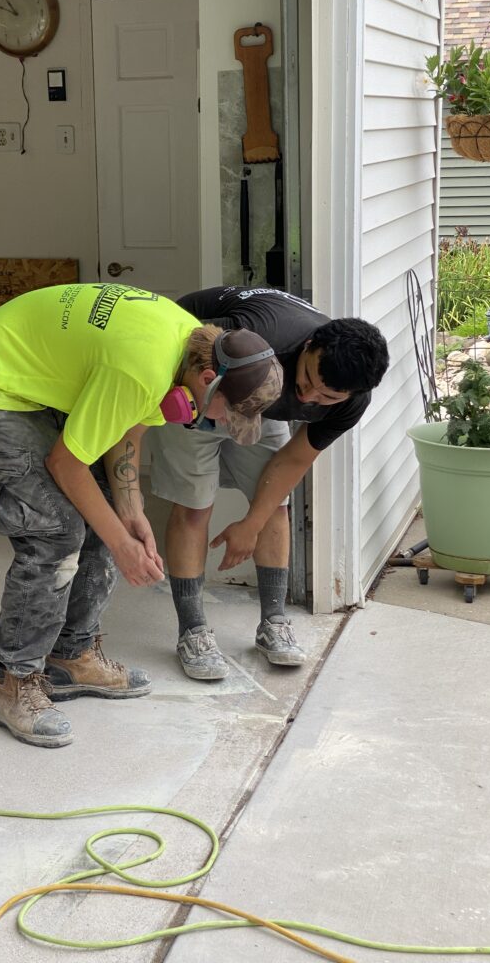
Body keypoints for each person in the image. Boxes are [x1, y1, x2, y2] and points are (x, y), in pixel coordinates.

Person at [0, 282, 283, 748]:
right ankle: (12, 684)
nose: (219, 422)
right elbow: (66, 464)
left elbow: (127, 431)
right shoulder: (141, 369)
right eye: (224, 412)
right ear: (207, 379)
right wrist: (123, 544)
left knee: (100, 518)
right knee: (55, 533)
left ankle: (71, 657)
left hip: (30, 381)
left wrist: (130, 511)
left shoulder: (188, 344)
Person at [146, 285, 390, 681]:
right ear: (308, 346)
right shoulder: (262, 335)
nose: (309, 396)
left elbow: (293, 460)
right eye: (307, 377)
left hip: (260, 402)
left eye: (326, 396)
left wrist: (250, 524)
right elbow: (179, 342)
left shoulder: (350, 401)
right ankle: (192, 630)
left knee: (275, 506)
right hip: (204, 383)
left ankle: (273, 623)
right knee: (195, 505)